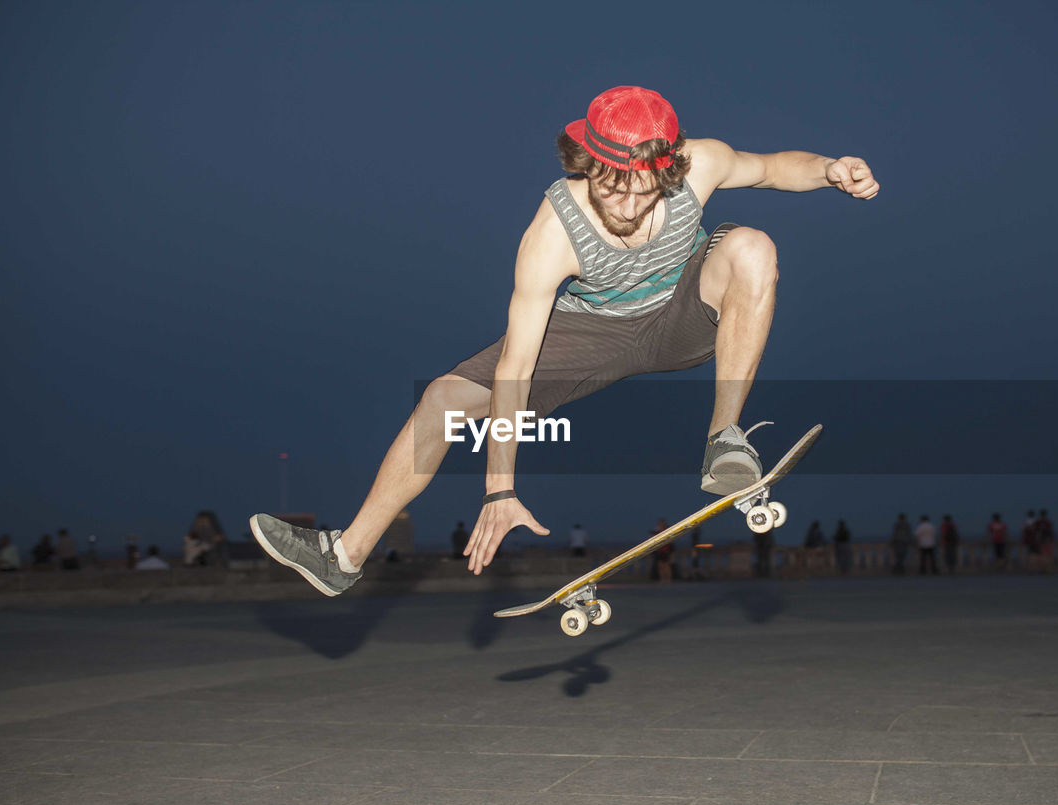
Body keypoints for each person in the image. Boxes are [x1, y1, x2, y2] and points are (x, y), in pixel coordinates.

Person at [246, 85, 879, 595]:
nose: (628, 206)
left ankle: (723, 441)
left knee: (751, 247)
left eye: (644, 189)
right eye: (611, 186)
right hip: (588, 332)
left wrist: (829, 170)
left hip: (687, 314)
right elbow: (516, 369)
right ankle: (345, 555)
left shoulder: (702, 164)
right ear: (589, 165)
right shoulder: (552, 232)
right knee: (443, 398)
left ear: (672, 167)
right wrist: (499, 489)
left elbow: (770, 170)